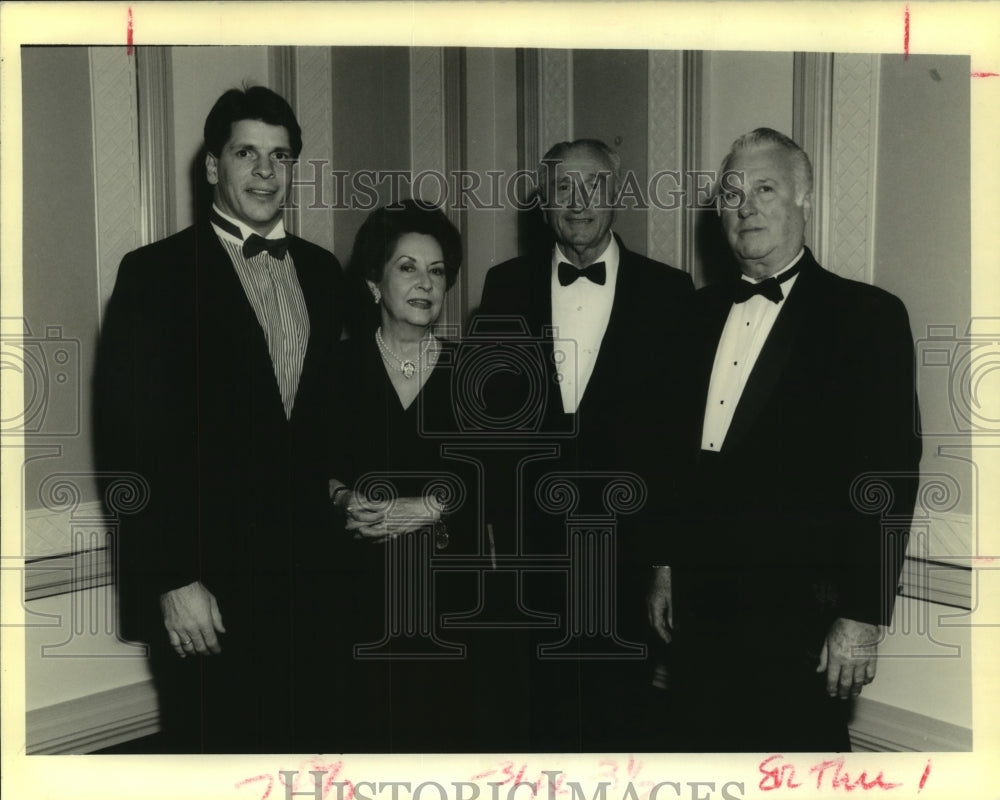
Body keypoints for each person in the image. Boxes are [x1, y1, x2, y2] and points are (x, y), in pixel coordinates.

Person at [647, 128, 922, 751]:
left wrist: (862, 615)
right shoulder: (691, 316)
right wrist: (664, 565)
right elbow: (672, 458)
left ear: (805, 198)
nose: (745, 206)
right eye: (732, 192)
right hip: (700, 616)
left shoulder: (867, 318)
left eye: (765, 188)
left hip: (802, 622)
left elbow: (889, 472)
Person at [94, 86, 345, 752]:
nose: (265, 172)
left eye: (281, 155)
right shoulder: (154, 274)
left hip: (313, 583)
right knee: (216, 758)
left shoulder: (324, 274)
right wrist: (173, 579)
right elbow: (128, 443)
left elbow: (329, 426)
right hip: (206, 582)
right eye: (246, 153)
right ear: (212, 166)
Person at [478, 139, 694, 751]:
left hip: (630, 559)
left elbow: (682, 446)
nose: (579, 203)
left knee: (620, 729)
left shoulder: (672, 294)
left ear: (618, 196)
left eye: (593, 186)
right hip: (529, 557)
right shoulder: (504, 286)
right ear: (544, 203)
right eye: (563, 189)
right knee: (531, 724)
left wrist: (667, 563)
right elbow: (489, 426)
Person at [326, 199, 480, 751]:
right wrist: (345, 498)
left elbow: (501, 484)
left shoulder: (474, 373)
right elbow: (307, 468)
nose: (426, 283)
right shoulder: (336, 370)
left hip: (451, 606)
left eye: (437, 271)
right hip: (356, 601)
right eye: (407, 267)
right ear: (374, 282)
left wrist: (430, 506)